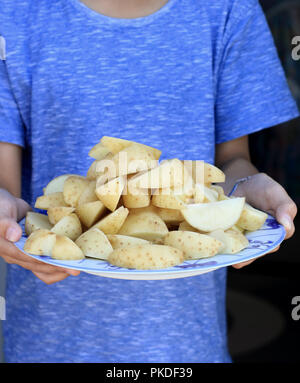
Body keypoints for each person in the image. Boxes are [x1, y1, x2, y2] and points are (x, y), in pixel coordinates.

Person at [0, 0, 298, 363]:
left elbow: (231, 163)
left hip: (187, 347)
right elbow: (5, 186)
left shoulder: (228, 9)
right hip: (46, 343)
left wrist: (246, 187)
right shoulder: (12, 12)